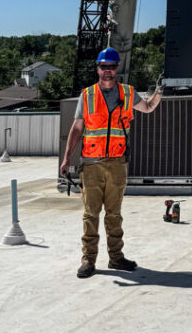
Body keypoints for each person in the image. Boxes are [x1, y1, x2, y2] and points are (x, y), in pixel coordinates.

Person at [60, 47, 163, 278]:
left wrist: (159, 92)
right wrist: (67, 157)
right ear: (98, 68)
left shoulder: (127, 93)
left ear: (117, 69)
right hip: (92, 164)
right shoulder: (86, 95)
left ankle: (116, 258)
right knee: (90, 214)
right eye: (104, 67)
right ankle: (88, 260)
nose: (108, 71)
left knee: (114, 214)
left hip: (117, 163)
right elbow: (77, 128)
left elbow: (147, 107)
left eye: (112, 67)